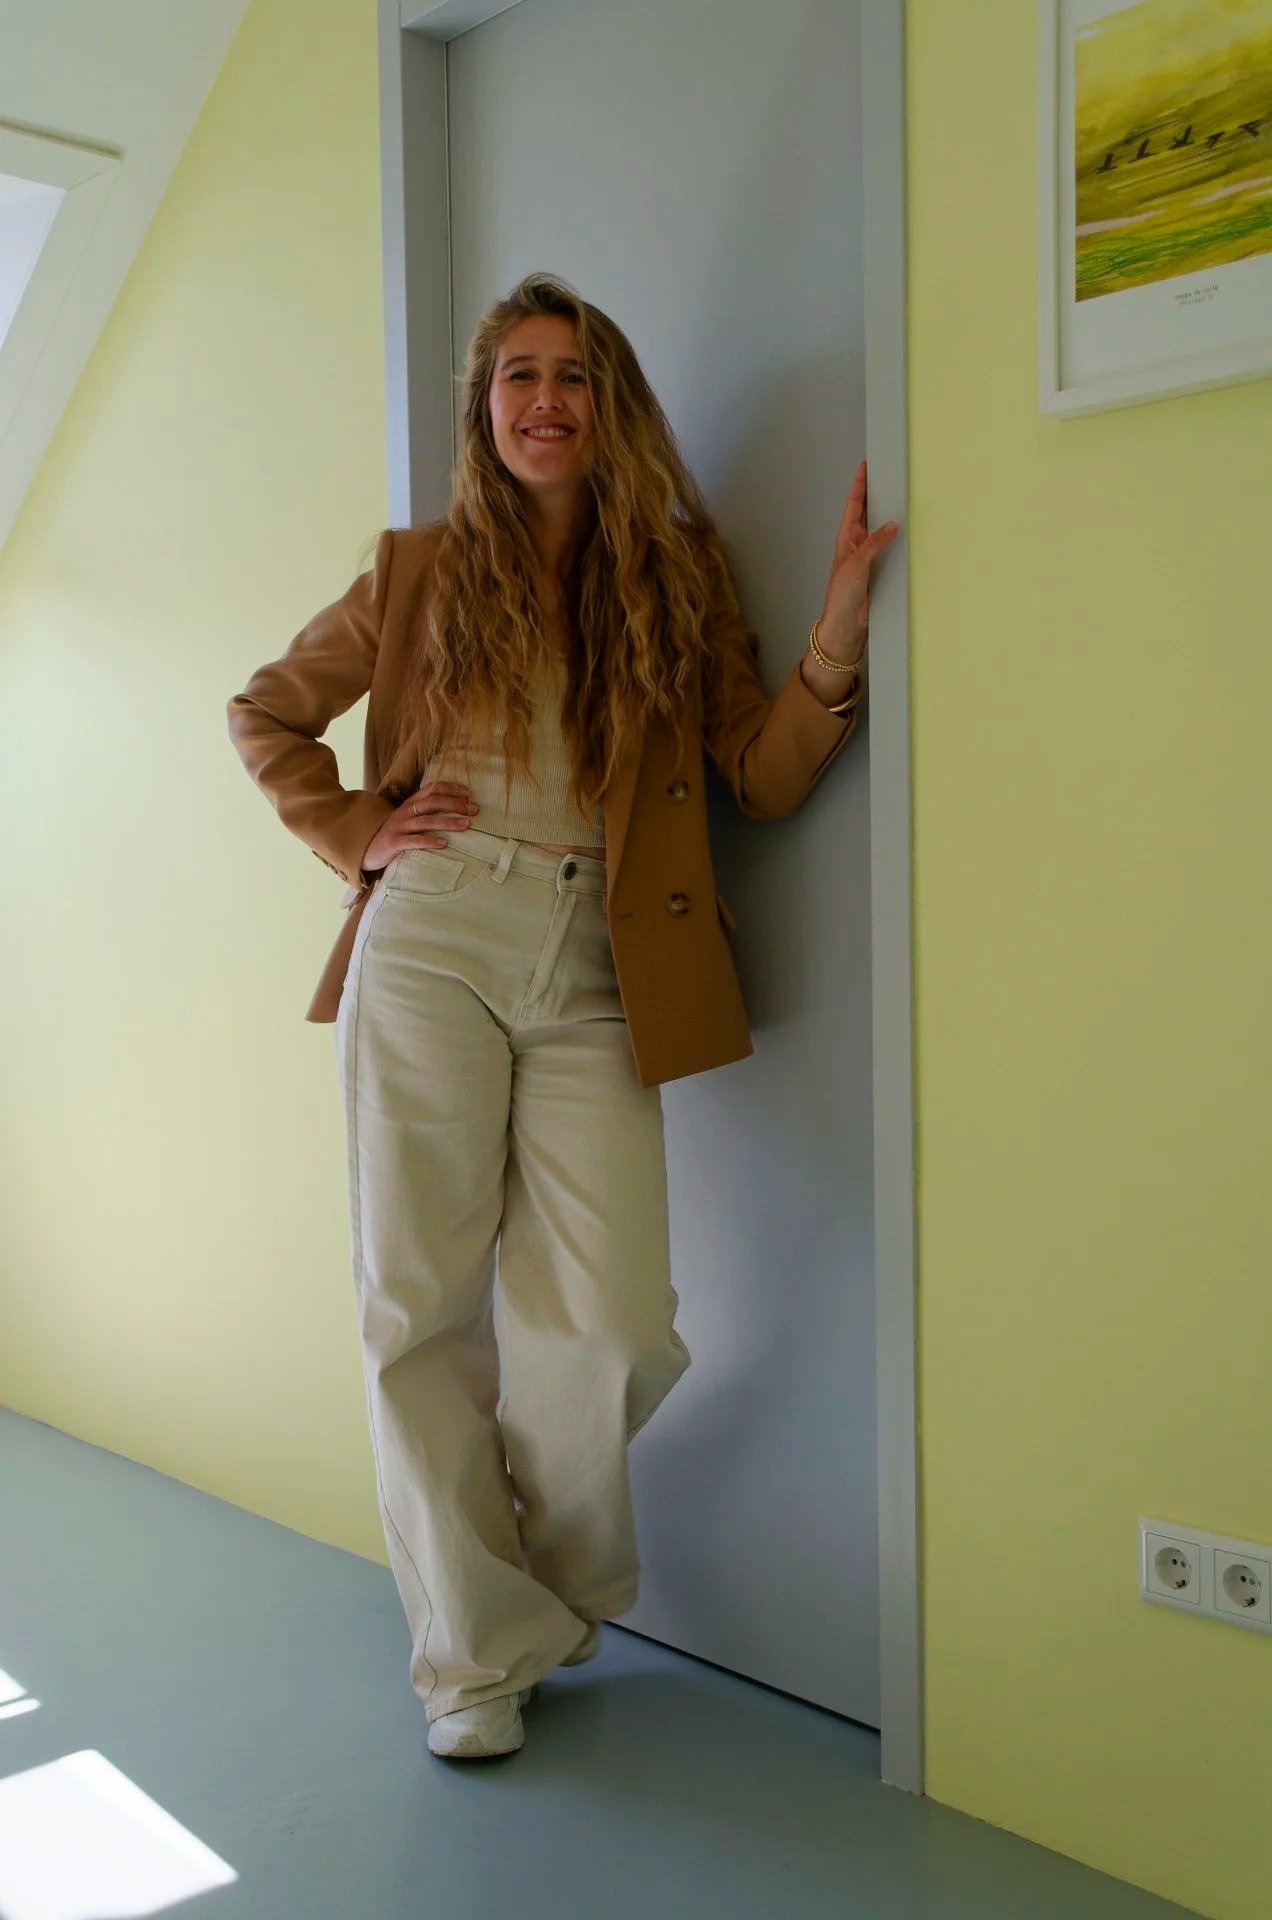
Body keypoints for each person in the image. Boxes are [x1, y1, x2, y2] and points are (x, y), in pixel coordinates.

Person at [227, 272, 900, 1762]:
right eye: (520, 374)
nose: (547, 399)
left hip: (605, 954)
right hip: (435, 933)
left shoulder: (675, 572)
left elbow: (759, 774)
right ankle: (470, 1663)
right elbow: (264, 712)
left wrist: (838, 638)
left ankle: (534, 1593)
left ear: (612, 406)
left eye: (576, 375)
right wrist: (359, 830)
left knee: (614, 1327)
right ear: (485, 406)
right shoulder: (414, 572)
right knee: (418, 1305)